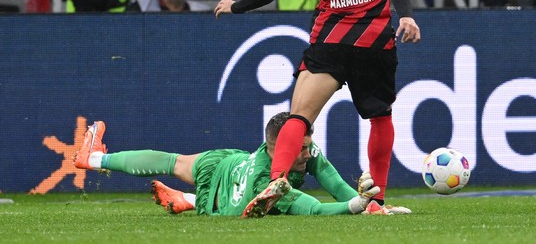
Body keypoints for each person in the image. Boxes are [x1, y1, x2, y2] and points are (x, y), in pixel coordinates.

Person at [214, 0, 420, 217]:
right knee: (380, 118)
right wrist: (408, 15)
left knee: (299, 118)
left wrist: (238, 6)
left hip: (329, 39)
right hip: (372, 39)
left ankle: (276, 179)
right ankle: (377, 203)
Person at [72, 113, 411, 217]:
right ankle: (93, 157)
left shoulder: (299, 153)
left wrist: (369, 205)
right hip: (223, 176)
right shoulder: (271, 176)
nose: (308, 153)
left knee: (171, 162)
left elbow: (333, 182)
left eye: (307, 145)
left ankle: (184, 199)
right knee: (173, 162)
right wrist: (357, 205)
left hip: (232, 168)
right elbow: (316, 210)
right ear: (279, 147)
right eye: (302, 148)